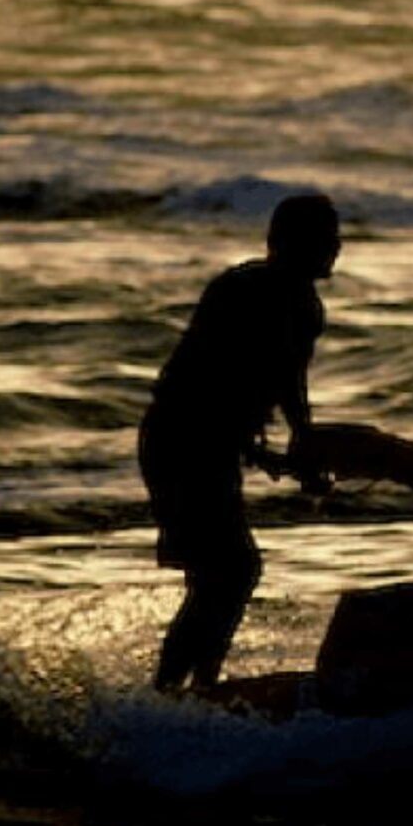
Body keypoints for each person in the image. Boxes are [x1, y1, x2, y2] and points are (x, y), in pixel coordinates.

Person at [139, 193, 341, 693]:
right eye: (324, 238)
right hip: (179, 441)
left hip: (209, 445)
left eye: (336, 237)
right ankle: (169, 693)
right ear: (286, 244)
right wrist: (272, 449)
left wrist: (300, 445)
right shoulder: (243, 290)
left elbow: (288, 382)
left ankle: (198, 687)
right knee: (230, 571)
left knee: (223, 575)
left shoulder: (305, 307)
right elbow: (201, 385)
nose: (336, 248)